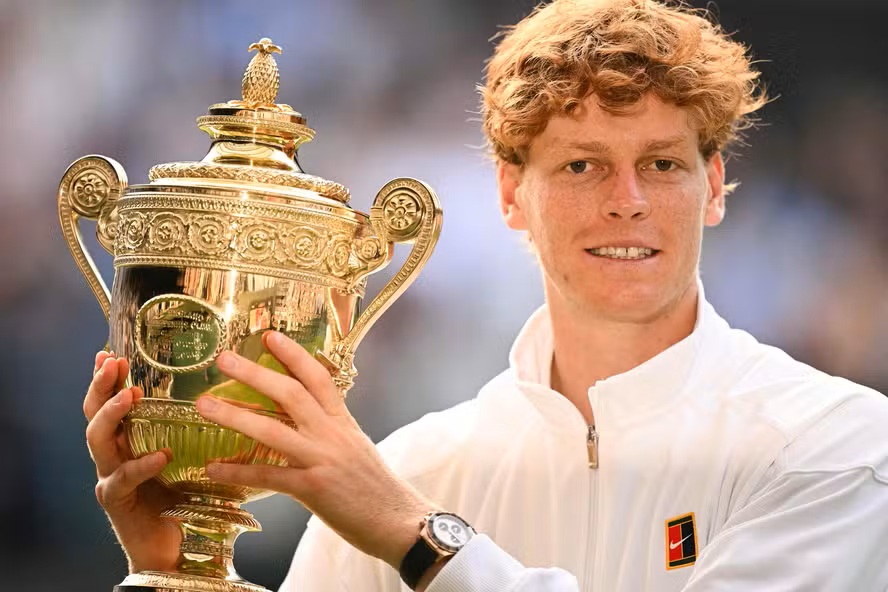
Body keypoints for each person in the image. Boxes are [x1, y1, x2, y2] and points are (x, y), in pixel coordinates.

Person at [83, 0, 888, 590]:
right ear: (510, 194)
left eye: (662, 165)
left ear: (712, 186)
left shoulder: (836, 444)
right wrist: (178, 570)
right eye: (581, 165)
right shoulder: (412, 467)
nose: (628, 201)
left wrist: (419, 541)